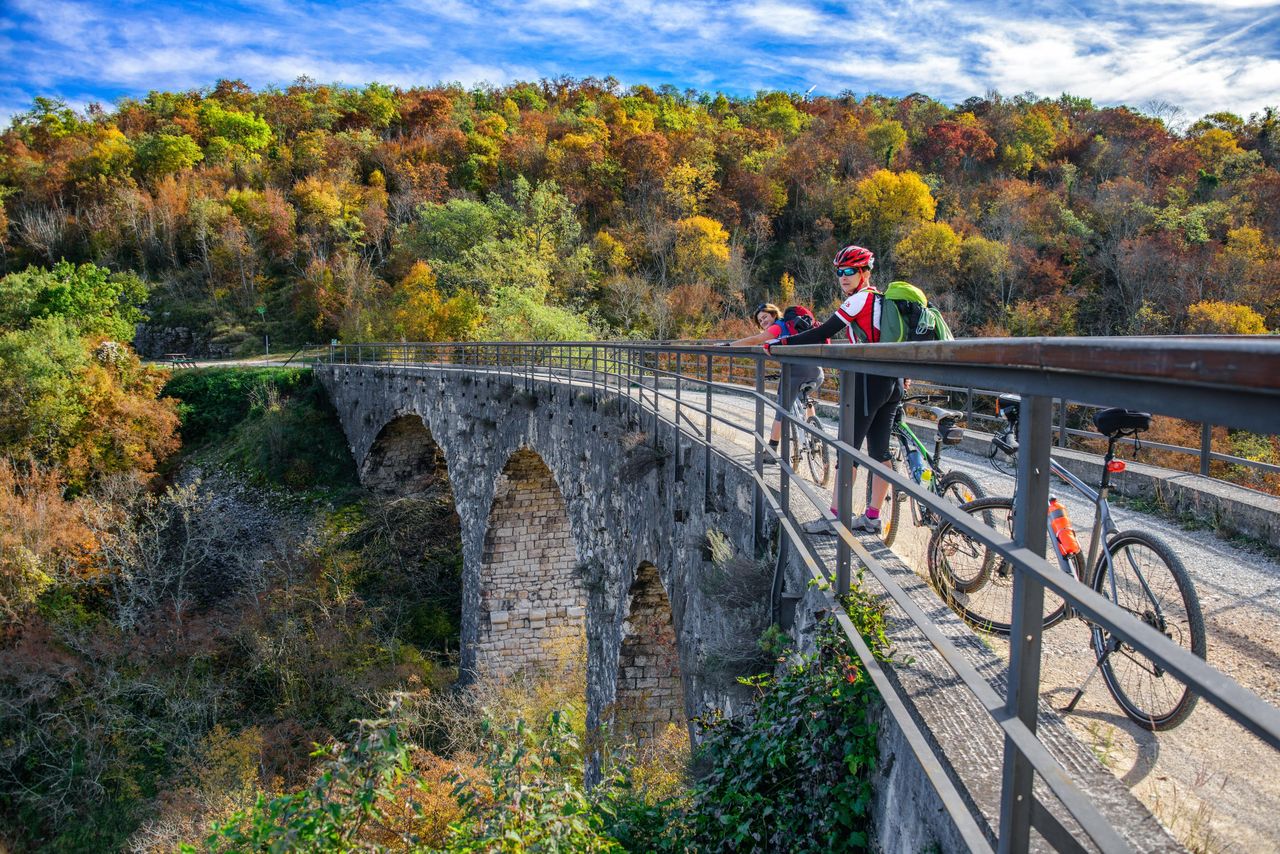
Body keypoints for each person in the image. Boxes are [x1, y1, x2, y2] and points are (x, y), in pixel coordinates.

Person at [765, 245, 900, 534]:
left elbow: (822, 332)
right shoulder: (880, 299)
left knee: (847, 449)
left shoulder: (858, 300)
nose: (843, 277)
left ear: (865, 272)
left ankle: (835, 518)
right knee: (879, 451)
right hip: (891, 381)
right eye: (839, 272)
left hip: (868, 380)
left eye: (850, 271)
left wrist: (780, 344)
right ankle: (873, 517)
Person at [730, 303, 824, 464]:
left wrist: (729, 345)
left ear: (774, 314)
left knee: (780, 410)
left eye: (765, 317)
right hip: (817, 371)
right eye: (760, 321)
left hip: (796, 372)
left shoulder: (778, 327)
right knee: (804, 398)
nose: (763, 322)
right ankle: (815, 434)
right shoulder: (793, 326)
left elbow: (756, 339)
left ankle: (771, 451)